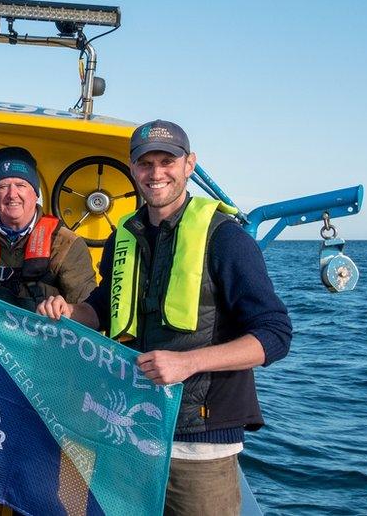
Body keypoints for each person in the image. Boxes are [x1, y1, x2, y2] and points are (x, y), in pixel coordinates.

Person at [37, 120, 292, 515]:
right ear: (133, 168)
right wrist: (71, 313)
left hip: (198, 444)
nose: (156, 173)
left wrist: (188, 362)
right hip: (129, 434)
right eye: (145, 163)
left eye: (167, 161)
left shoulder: (226, 238)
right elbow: (103, 307)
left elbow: (275, 334)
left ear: (189, 164)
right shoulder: (126, 234)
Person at [0, 146, 96, 310]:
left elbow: (88, 310)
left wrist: (65, 309)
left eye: (21, 185)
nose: (12, 194)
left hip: (42, 332)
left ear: (35, 194)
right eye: (3, 186)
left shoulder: (67, 244)